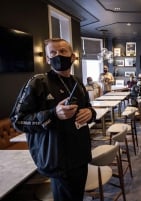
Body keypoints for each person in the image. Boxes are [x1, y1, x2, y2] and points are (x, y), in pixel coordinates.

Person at [10, 38, 96, 201]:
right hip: (56, 159)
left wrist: (90, 113)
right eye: (53, 52)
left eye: (63, 51)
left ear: (72, 57)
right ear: (48, 59)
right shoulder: (37, 82)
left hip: (80, 155)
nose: (58, 55)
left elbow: (89, 107)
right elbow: (17, 120)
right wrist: (53, 114)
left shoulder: (77, 82)